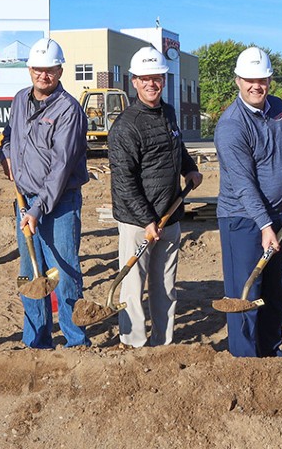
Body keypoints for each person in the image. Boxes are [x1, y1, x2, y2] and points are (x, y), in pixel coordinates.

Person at [214, 46, 282, 358]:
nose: (257, 85)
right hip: (242, 220)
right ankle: (245, 360)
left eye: (263, 79)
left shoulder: (279, 110)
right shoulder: (231, 125)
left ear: (270, 80)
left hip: (280, 215)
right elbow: (243, 184)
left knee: (275, 291)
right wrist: (265, 225)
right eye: (249, 80)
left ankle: (270, 352)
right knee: (245, 294)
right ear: (238, 81)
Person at [108, 46, 204, 348]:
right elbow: (124, 181)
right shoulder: (125, 126)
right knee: (133, 288)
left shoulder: (169, 113)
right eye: (146, 78)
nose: (152, 84)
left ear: (164, 80)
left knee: (165, 286)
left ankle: (163, 345)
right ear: (134, 81)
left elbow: (177, 148)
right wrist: (147, 220)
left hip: (170, 214)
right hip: (138, 222)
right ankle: (134, 344)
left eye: (158, 78)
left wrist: (189, 169)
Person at [0, 37, 91, 349]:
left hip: (59, 204)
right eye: (38, 69)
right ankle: (36, 341)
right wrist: (6, 153)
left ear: (60, 70)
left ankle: (76, 341)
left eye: (50, 70)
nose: (44, 75)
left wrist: (37, 211)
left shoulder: (69, 110)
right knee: (30, 274)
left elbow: (61, 168)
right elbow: (11, 135)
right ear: (29, 70)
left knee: (64, 273)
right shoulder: (19, 100)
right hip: (23, 200)